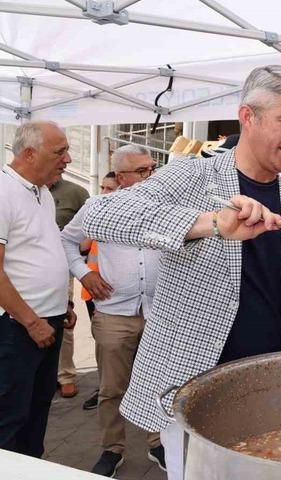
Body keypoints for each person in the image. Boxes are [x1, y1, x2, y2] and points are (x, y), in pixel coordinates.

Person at [82, 65, 281, 480]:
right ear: (247, 117)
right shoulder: (193, 176)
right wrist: (210, 223)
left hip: (273, 389)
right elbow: (100, 215)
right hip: (194, 389)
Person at [61, 145, 166, 476]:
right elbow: (66, 241)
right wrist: (85, 273)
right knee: (111, 388)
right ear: (121, 177)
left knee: (159, 382)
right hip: (114, 314)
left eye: (153, 168)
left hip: (159, 312)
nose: (152, 175)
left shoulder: (167, 205)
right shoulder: (98, 207)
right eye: (143, 171)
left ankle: (158, 443)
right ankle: (112, 449)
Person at [0, 121, 77, 458]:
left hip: (47, 319)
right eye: (60, 151)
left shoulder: (42, 193)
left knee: (37, 408)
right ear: (29, 154)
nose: (68, 159)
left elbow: (40, 251)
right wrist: (31, 321)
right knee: (10, 416)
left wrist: (64, 303)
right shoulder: (3, 192)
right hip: (18, 327)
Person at [79, 171, 119, 412]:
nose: (103, 193)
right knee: (103, 347)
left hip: (116, 297)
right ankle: (104, 388)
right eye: (102, 187)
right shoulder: (96, 212)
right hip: (94, 293)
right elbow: (82, 245)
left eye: (109, 189)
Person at [48, 174, 90, 399]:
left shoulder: (76, 192)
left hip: (61, 268)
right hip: (25, 270)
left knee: (63, 320)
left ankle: (65, 376)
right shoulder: (21, 192)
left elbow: (88, 230)